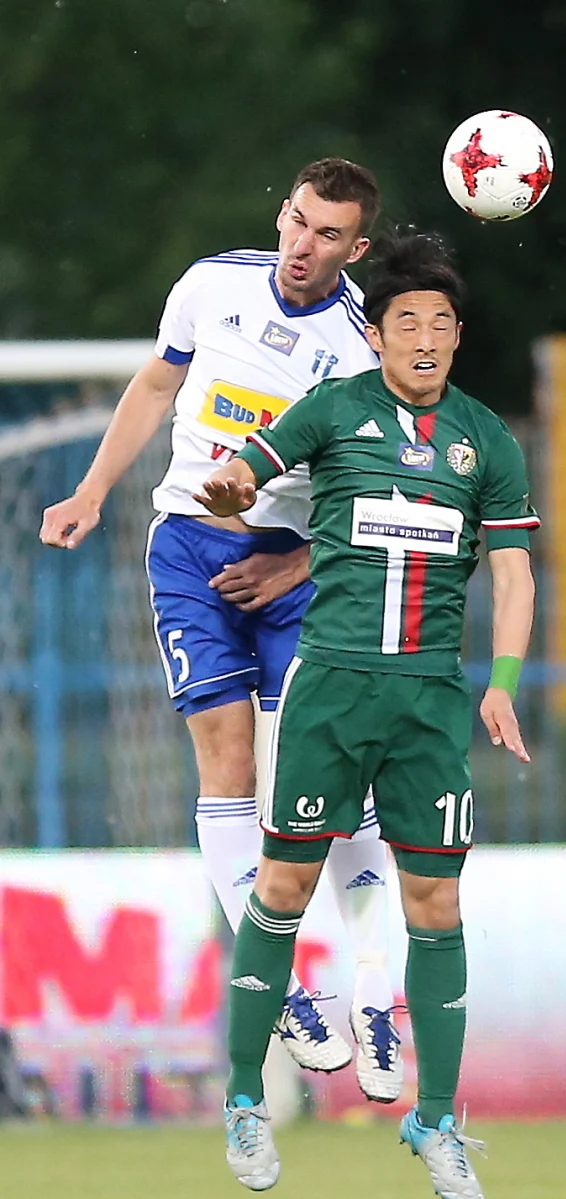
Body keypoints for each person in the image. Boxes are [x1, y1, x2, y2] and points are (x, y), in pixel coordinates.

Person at [38, 159, 406, 1102]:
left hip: (293, 569)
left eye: (328, 235)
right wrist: (91, 491)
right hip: (188, 553)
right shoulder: (212, 285)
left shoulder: (361, 351)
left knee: (328, 778)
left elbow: (377, 501)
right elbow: (154, 388)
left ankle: (376, 997)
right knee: (225, 764)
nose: (303, 245)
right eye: (297, 222)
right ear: (281, 213)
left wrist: (293, 565)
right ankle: (280, 983)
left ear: (356, 247)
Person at [194, 229, 538, 1199]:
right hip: (332, 691)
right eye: (405, 322)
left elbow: (513, 572)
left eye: (440, 323)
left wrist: (503, 682)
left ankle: (437, 1121)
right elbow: (252, 465)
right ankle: (245, 1100)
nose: (424, 338)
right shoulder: (335, 409)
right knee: (282, 886)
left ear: (458, 336)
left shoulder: (485, 441)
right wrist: (233, 483)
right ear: (377, 335)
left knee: (437, 905)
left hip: (428, 700)